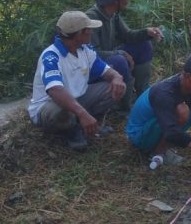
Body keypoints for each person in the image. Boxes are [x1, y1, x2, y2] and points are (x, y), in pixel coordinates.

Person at [28, 11, 126, 150]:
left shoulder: (85, 50)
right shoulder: (51, 56)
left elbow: (104, 70)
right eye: (88, 30)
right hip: (50, 105)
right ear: (79, 34)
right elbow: (55, 90)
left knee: (116, 88)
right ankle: (72, 130)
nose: (91, 32)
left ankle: (87, 123)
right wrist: (82, 113)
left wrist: (117, 77)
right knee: (61, 112)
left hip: (77, 99)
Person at [86, 0, 163, 110]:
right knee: (120, 60)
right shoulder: (92, 18)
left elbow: (127, 36)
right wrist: (119, 53)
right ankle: (125, 106)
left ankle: (143, 94)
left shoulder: (113, 15)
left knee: (144, 45)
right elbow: (91, 54)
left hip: (111, 56)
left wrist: (147, 32)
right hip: (94, 68)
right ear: (116, 0)